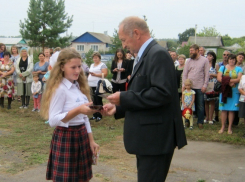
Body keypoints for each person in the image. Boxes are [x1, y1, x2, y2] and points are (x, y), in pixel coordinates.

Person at [101, 16, 187, 182]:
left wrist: (124, 98)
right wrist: (119, 108)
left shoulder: (157, 54)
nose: (123, 45)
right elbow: (143, 93)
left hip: (155, 139)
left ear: (136, 33)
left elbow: (162, 94)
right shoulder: (145, 55)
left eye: (124, 40)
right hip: (148, 139)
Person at [40, 48, 99, 181]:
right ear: (62, 67)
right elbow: (53, 120)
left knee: (82, 178)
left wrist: (91, 140)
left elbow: (85, 118)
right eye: (73, 67)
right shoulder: (60, 89)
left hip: (82, 136)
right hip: (66, 137)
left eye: (79, 66)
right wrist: (78, 110)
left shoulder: (78, 86)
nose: (78, 70)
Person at [182, 44, 209, 129]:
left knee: (200, 105)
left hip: (200, 86)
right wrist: (184, 85)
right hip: (189, 87)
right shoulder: (188, 61)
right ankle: (187, 121)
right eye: (190, 51)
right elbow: (185, 74)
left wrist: (205, 85)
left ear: (197, 50)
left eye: (192, 50)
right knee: (187, 104)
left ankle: (200, 122)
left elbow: (207, 74)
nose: (190, 52)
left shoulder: (204, 60)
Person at [217, 54, 242, 134]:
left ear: (235, 60)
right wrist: (228, 82)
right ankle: (223, 126)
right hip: (224, 91)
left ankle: (230, 127)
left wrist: (227, 81)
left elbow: (239, 79)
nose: (232, 61)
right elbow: (219, 78)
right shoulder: (222, 68)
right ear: (228, 60)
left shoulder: (239, 69)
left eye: (233, 59)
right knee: (223, 110)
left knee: (232, 110)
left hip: (234, 91)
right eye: (230, 59)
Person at [88, 52, 108, 122]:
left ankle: (99, 115)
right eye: (94, 58)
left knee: (98, 99)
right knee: (93, 100)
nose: (95, 59)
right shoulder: (92, 65)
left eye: (96, 58)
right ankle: (94, 114)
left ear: (99, 58)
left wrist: (96, 75)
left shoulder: (102, 65)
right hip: (91, 84)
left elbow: (105, 74)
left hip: (98, 84)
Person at [213, 50, 231, 123]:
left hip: (229, 85)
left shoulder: (232, 65)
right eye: (224, 54)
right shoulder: (219, 64)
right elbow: (218, 75)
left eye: (227, 55)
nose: (225, 56)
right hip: (221, 85)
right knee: (218, 101)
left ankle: (227, 119)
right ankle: (216, 116)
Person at [204, 51, 218, 124]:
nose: (208, 57)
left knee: (212, 101)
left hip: (213, 84)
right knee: (206, 101)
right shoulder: (205, 64)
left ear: (213, 57)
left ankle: (211, 118)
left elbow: (219, 75)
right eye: (207, 56)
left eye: (210, 56)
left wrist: (212, 74)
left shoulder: (216, 65)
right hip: (206, 84)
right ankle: (206, 116)